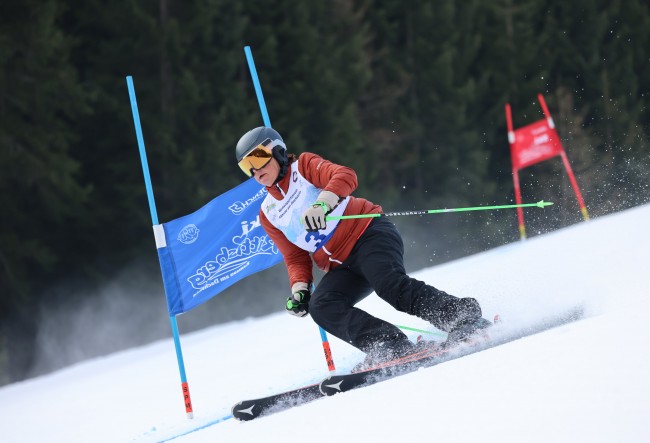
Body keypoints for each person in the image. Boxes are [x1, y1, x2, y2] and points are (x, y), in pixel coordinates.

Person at [235, 126, 490, 365]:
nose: (255, 170)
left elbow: (345, 175)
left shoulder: (303, 167)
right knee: (321, 306)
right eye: (247, 166)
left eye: (258, 158)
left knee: (389, 285)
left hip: (368, 234)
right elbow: (295, 257)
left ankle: (462, 316)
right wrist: (300, 290)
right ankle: (389, 345)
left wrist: (323, 203)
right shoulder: (268, 212)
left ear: (277, 151)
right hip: (341, 265)